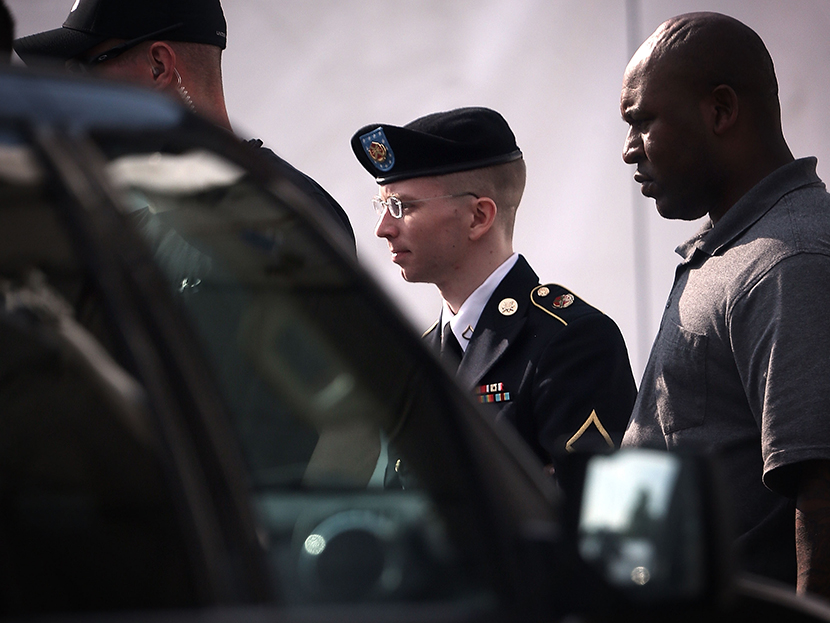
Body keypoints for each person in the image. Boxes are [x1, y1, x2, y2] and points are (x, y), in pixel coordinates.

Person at [620, 12, 830, 598]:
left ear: (720, 110)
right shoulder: (737, 248)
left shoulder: (789, 260)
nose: (629, 151)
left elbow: (820, 491)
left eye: (643, 121)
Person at [351, 107, 637, 480]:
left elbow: (588, 501)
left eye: (401, 206)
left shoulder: (572, 341)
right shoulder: (420, 354)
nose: (383, 228)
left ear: (478, 217)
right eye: (383, 206)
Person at [12, 0, 355, 250]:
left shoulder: (290, 213)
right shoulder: (127, 231)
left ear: (159, 66)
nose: (75, 93)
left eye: (83, 70)